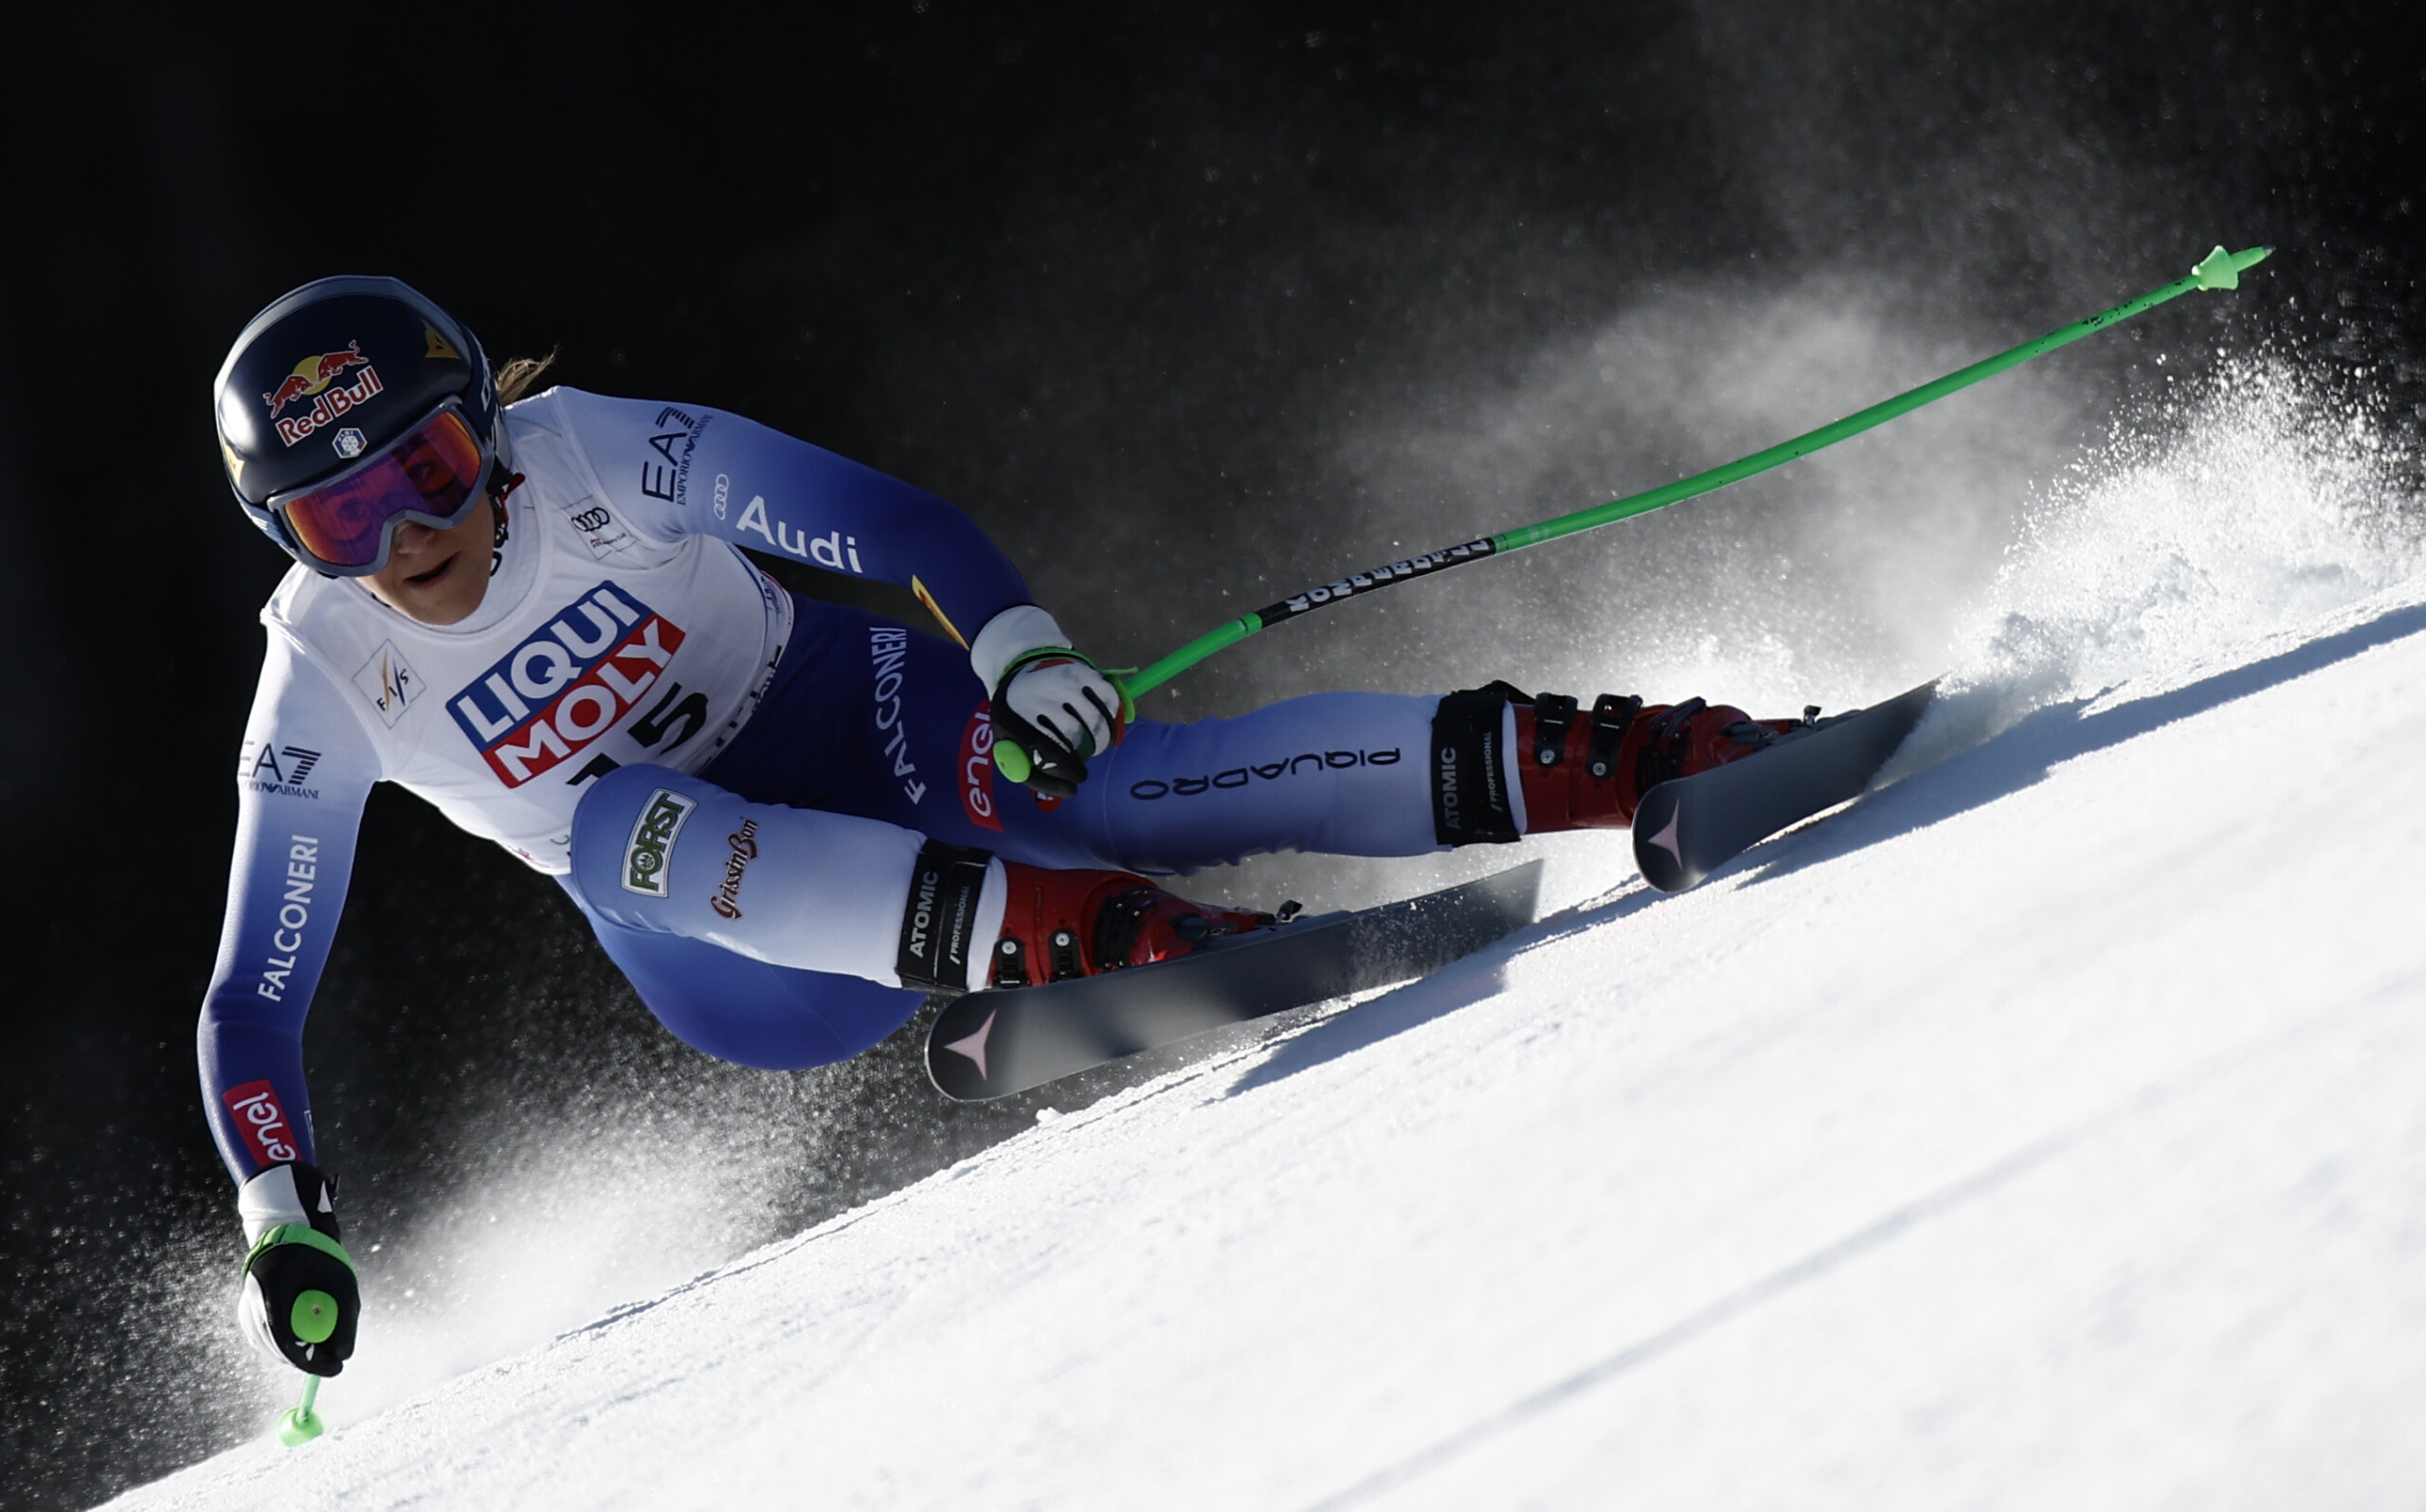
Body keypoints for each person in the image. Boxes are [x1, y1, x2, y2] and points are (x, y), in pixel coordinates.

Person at [205, 276, 1794, 1377]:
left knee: (1107, 784)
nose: (415, 535)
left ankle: (1630, 752)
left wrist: (1014, 650)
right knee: (624, 815)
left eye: (433, 463)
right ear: (291, 540)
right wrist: (284, 1214)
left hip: (850, 711)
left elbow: (883, 523)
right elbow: (255, 997)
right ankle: (1099, 940)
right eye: (346, 517)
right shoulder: (327, 675)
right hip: (743, 950)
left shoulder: (597, 453)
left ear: (492, 419)